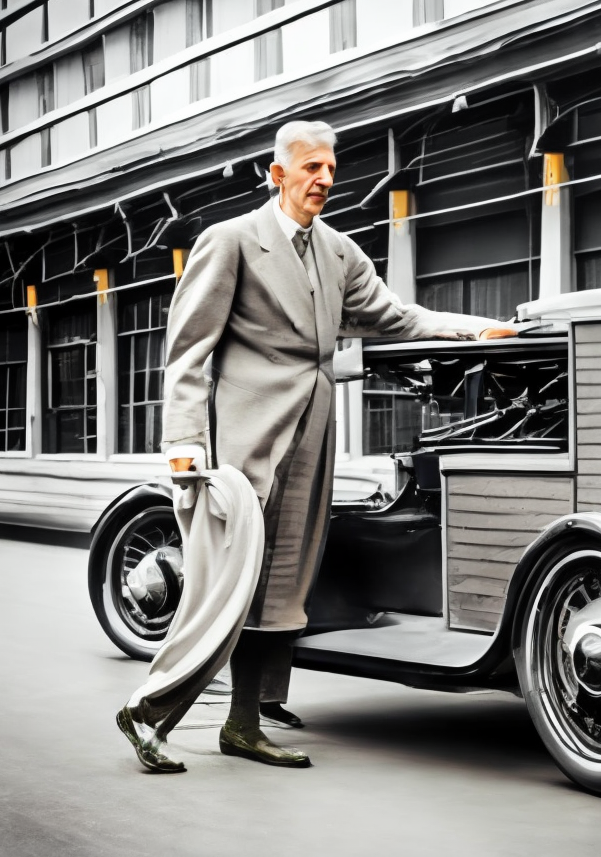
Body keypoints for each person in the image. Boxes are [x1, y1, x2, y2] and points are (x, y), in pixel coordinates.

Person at [117, 120, 511, 773]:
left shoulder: (339, 254)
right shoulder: (232, 242)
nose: (325, 179)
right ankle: (147, 713)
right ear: (278, 174)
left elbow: (398, 317)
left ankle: (243, 726)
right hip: (242, 450)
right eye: (311, 168)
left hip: (310, 446)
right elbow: (189, 349)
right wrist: (184, 444)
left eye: (331, 168)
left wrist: (478, 330)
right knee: (224, 592)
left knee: (279, 592)